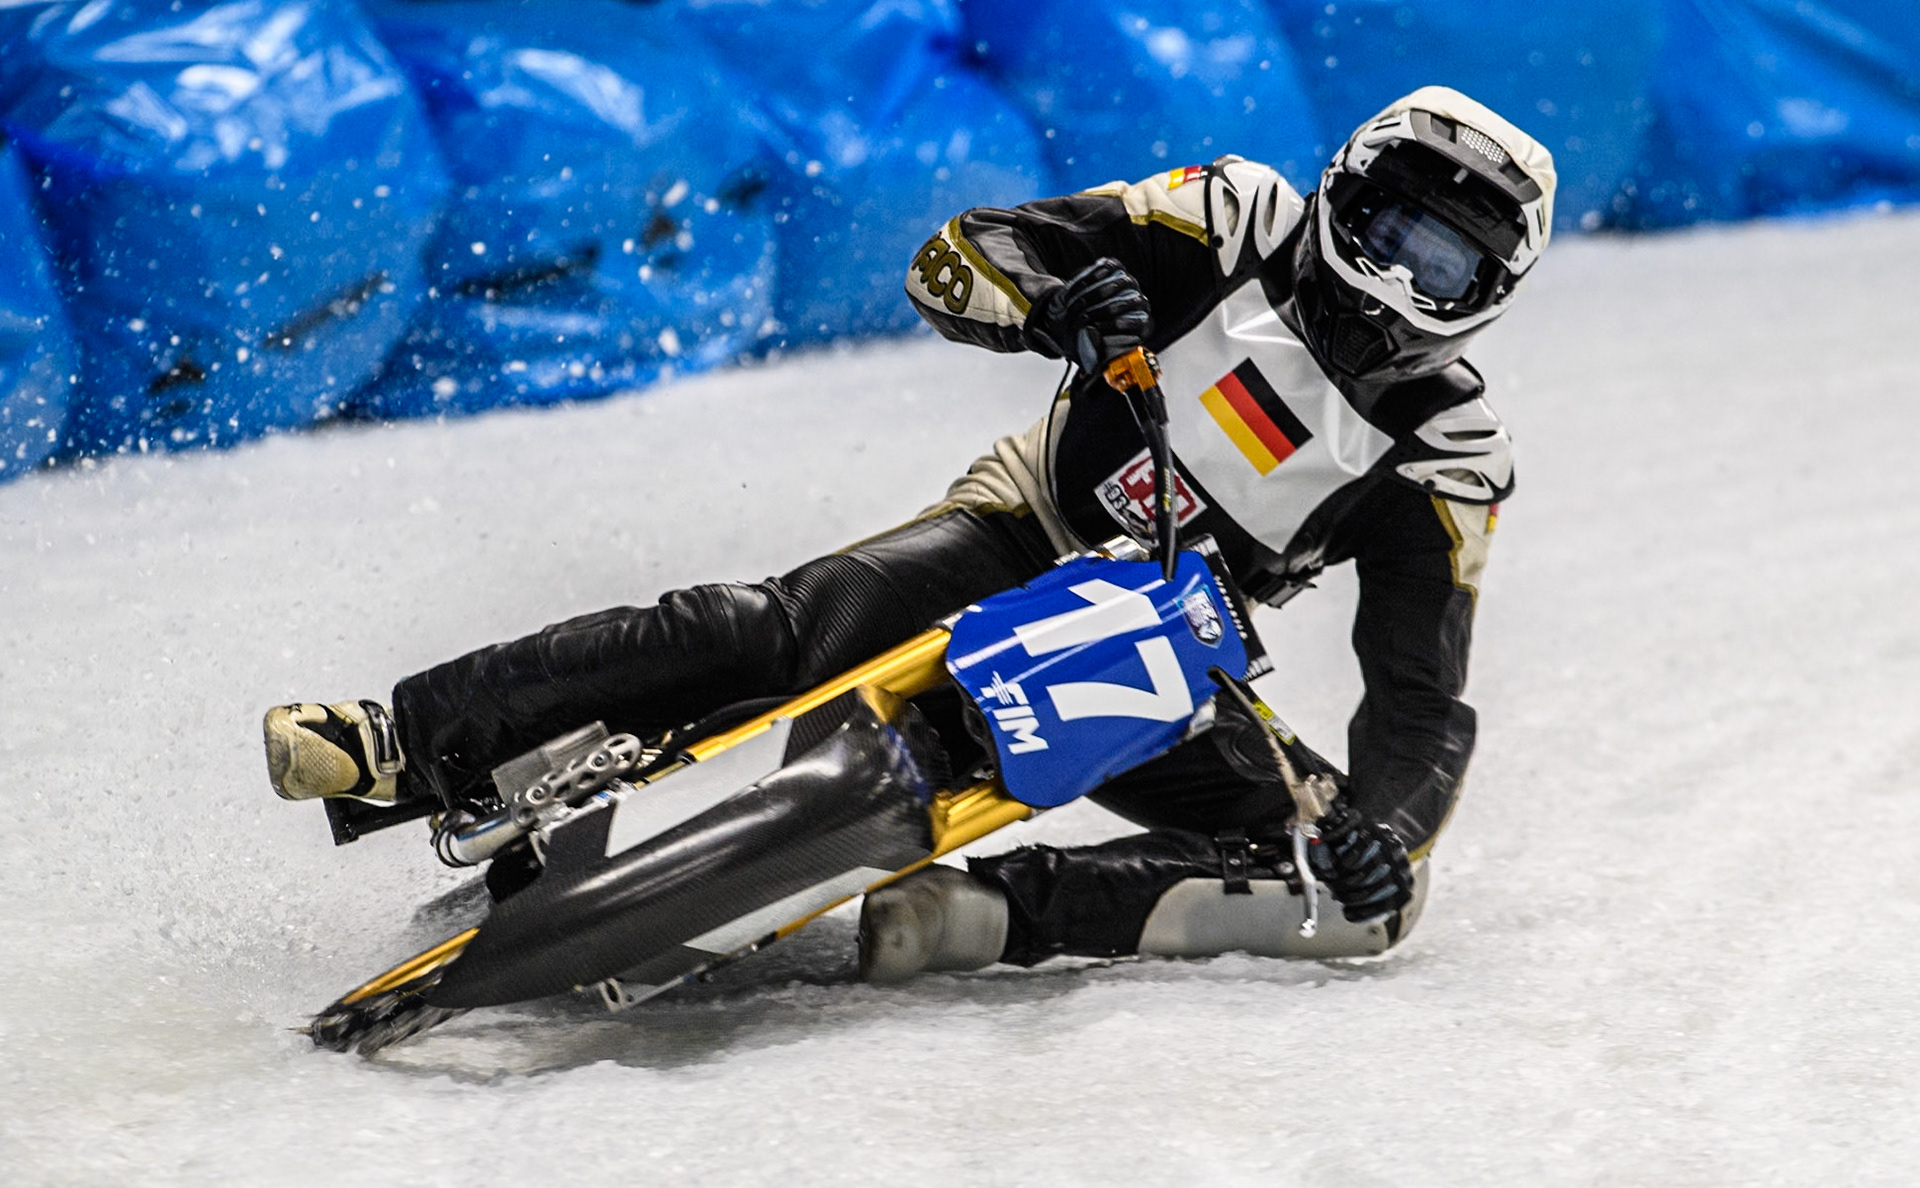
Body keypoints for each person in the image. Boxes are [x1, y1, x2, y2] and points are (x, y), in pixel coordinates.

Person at [264, 86, 1554, 981]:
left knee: (1366, 898)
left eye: (1436, 265)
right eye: (1389, 227)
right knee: (767, 629)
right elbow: (957, 259)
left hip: (1162, 651)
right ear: (1345, 190)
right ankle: (398, 740)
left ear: (1479, 300)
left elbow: (1421, 704)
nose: (1392, 274)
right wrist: (1062, 302)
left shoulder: (1451, 456)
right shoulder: (1231, 215)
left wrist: (1390, 820)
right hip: (1023, 525)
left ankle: (989, 917)